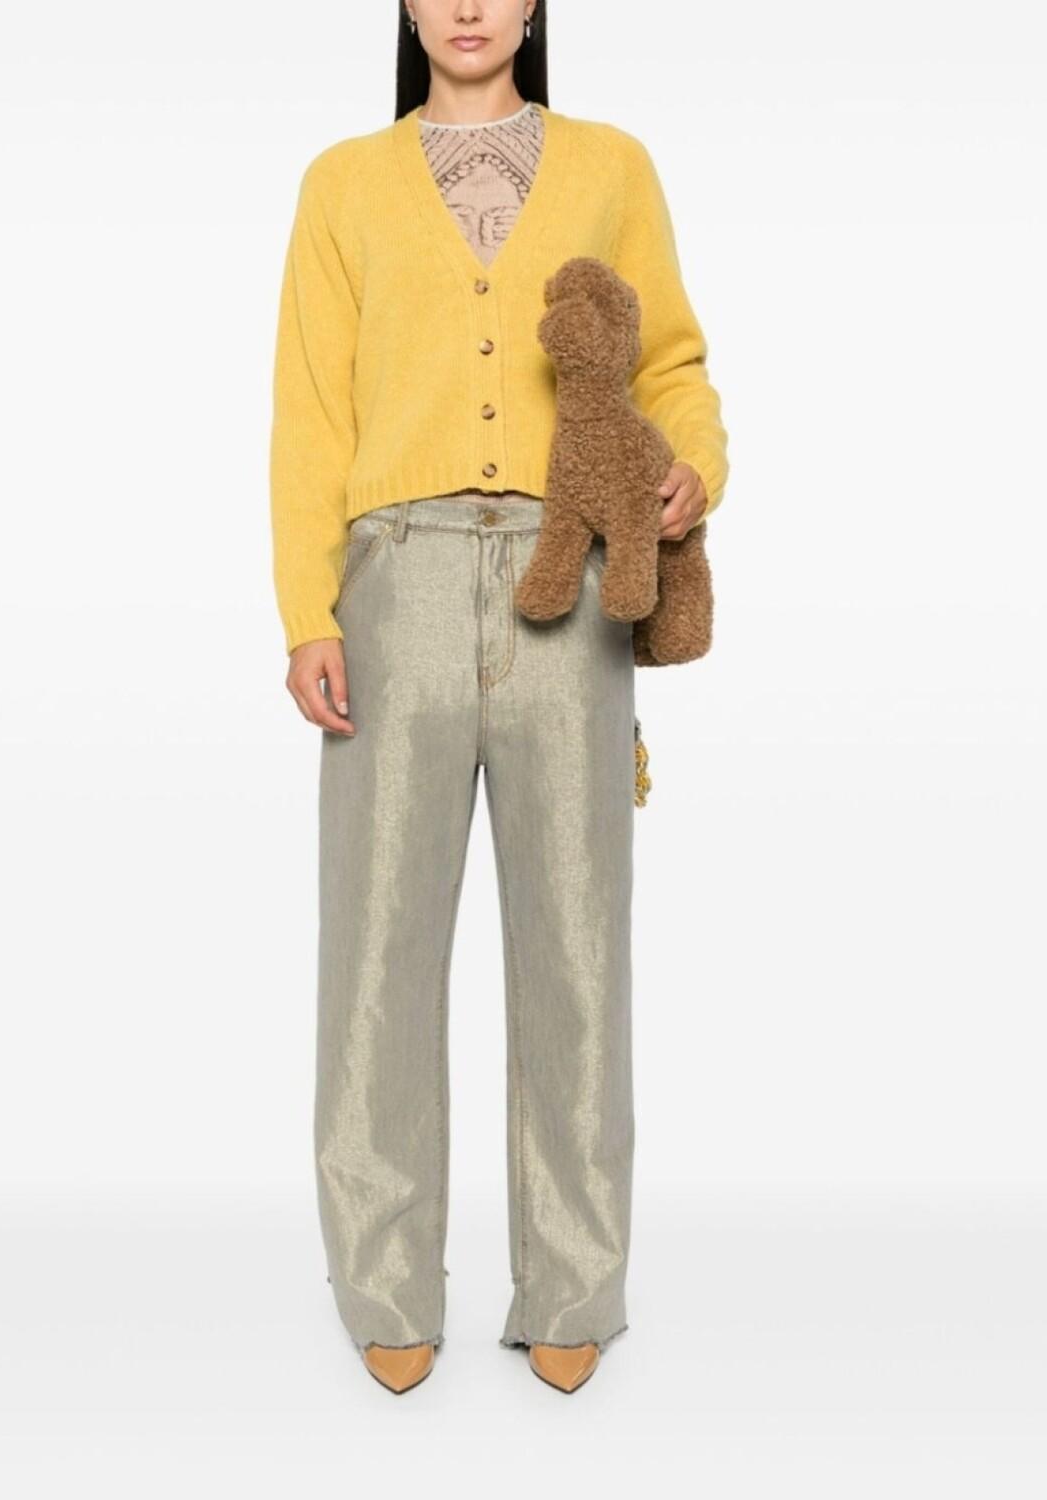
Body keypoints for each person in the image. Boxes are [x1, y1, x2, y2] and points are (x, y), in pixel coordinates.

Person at [269, 0, 728, 1395]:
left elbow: (669, 364)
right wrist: (307, 613)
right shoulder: (344, 182)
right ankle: (383, 1281)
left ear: (533, 4)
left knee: (577, 947)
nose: (467, 6)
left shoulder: (612, 165)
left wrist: (693, 464)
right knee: (377, 952)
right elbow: (310, 410)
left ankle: (573, 1283)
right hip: (393, 583)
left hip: (568, 578)